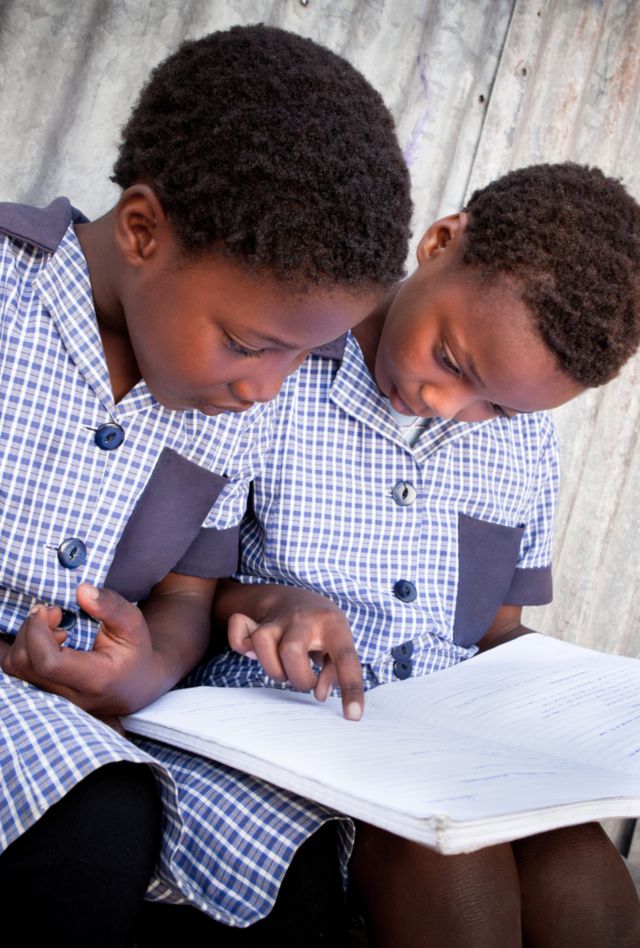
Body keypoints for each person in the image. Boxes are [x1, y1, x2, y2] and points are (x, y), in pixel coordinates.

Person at [0, 24, 412, 947]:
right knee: (99, 824)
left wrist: (145, 666)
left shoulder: (240, 396)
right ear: (142, 230)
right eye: (250, 344)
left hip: (98, 713)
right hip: (44, 728)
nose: (269, 388)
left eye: (305, 357)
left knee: (299, 858)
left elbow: (188, 588)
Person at [206, 162, 640, 947]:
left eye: (497, 404)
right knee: (452, 859)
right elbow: (182, 582)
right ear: (439, 242)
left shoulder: (525, 445)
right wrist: (266, 604)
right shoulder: (284, 368)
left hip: (447, 737)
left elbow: (498, 636)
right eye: (452, 362)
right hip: (290, 718)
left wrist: (580, 709)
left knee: (580, 868)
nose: (452, 406)